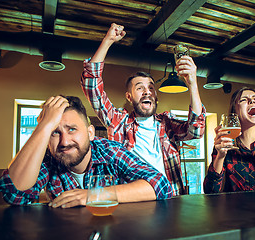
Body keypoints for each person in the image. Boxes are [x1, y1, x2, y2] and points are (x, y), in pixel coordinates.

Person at [80, 23, 206, 196]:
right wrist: (108, 40)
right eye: (140, 88)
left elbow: (197, 131)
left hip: (170, 199)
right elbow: (91, 85)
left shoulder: (167, 123)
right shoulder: (118, 122)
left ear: (156, 97)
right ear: (129, 97)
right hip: (132, 202)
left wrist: (192, 84)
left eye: (151, 88)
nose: (147, 91)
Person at [0, 95, 172, 208]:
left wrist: (93, 196)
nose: (64, 142)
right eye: (55, 132)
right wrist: (44, 126)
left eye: (72, 129)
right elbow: (14, 195)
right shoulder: (48, 158)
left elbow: (161, 185)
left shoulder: (109, 150)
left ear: (90, 133)